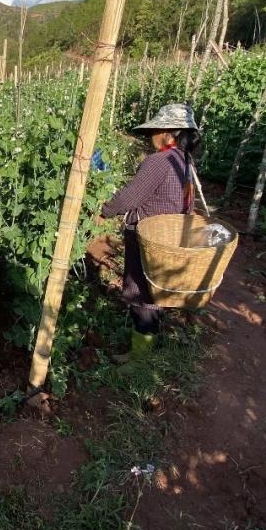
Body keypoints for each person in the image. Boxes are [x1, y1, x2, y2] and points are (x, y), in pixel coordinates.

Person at [100, 104, 200, 356]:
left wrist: (105, 209)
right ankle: (150, 342)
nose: (151, 137)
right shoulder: (185, 162)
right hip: (169, 238)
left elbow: (129, 199)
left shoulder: (159, 161)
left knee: (141, 293)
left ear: (169, 132)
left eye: (155, 131)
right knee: (155, 290)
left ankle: (139, 357)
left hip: (148, 238)